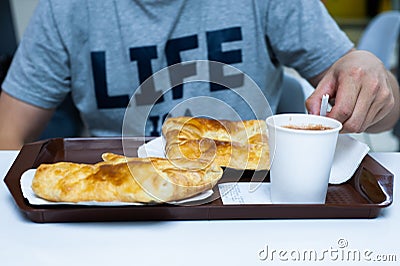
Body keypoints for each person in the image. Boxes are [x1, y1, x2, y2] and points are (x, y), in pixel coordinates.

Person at [0, 0, 399, 150]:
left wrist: (375, 83)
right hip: (120, 195)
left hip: (250, 196)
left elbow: (387, 110)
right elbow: (7, 132)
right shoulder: (64, 9)